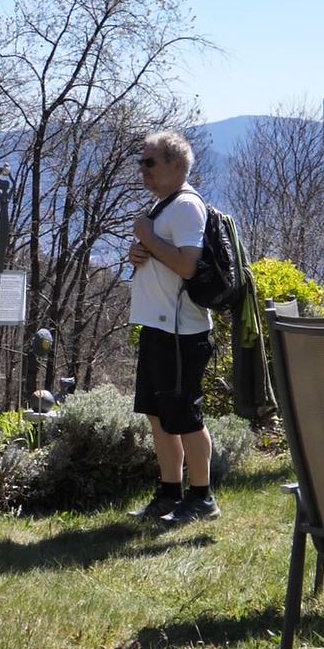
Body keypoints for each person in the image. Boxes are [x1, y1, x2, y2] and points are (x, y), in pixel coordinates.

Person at [126, 131, 220, 524]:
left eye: (151, 162)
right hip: (158, 327)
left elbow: (186, 264)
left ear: (176, 166)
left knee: (184, 417)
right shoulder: (164, 206)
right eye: (142, 162)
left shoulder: (185, 208)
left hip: (181, 332)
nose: (143, 170)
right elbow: (167, 261)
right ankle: (169, 494)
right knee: (159, 416)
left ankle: (202, 498)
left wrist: (147, 237)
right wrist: (139, 254)